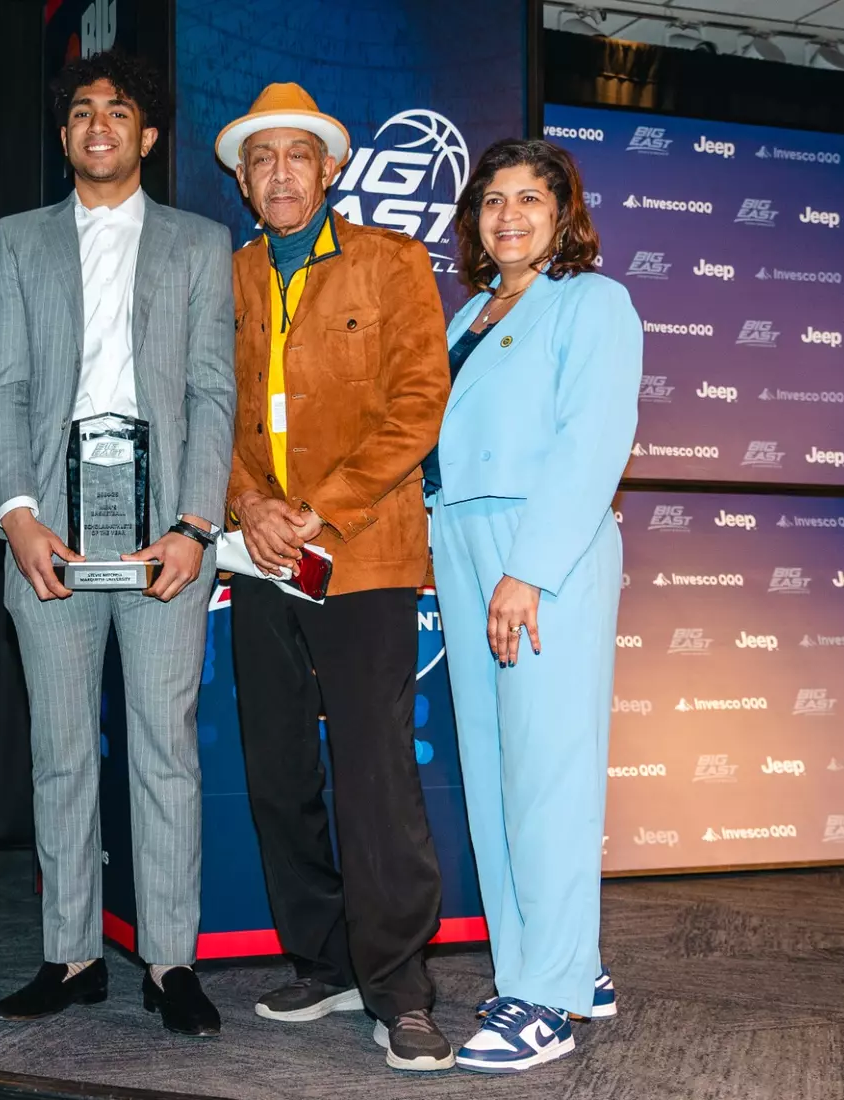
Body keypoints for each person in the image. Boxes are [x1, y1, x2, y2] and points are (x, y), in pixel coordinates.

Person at [0, 52, 235, 1036]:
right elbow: (2, 386)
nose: (98, 125)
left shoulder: (199, 242)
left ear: (149, 136)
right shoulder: (17, 240)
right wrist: (17, 515)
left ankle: (172, 962)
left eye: (118, 111)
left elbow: (213, 391)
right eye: (82, 111)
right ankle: (73, 954)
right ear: (64, 136)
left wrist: (196, 523)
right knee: (60, 751)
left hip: (167, 534)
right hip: (49, 530)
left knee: (165, 749)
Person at [215, 83, 454, 1072]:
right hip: (262, 554)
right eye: (261, 158)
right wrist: (249, 505)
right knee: (277, 768)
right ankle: (324, 959)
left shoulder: (392, 263)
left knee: (374, 772)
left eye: (297, 155)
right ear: (243, 180)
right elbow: (205, 407)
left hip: (362, 549)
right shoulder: (227, 275)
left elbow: (420, 401)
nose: (279, 173)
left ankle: (400, 987)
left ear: (330, 169)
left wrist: (321, 507)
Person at [426, 138, 641, 1073]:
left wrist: (529, 569)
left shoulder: (593, 302)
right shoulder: (468, 315)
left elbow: (594, 441)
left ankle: (543, 1001)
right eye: (492, 200)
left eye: (529, 199)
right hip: (461, 540)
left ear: (563, 216)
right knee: (494, 770)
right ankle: (556, 964)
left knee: (547, 773)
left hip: (540, 546)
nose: (508, 216)